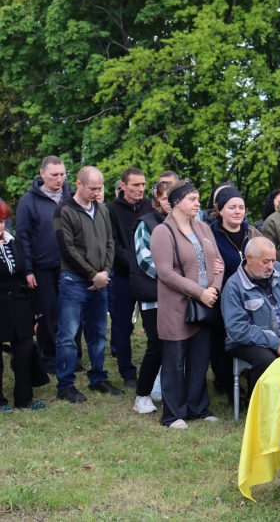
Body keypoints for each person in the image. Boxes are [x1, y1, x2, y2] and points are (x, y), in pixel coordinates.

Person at [150, 181, 223, 429]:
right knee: (174, 361)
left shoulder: (203, 227)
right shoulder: (163, 232)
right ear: (176, 202)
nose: (198, 203)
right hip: (176, 307)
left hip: (204, 305)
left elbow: (219, 263)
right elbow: (165, 273)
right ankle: (173, 414)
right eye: (192, 199)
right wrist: (200, 292)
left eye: (198, 198)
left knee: (199, 359)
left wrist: (214, 289)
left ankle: (198, 408)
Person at [53, 166, 120, 403]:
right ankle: (65, 385)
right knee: (68, 336)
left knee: (98, 333)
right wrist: (93, 275)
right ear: (79, 184)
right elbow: (67, 250)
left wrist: (105, 272)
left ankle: (98, 377)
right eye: (93, 188)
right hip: (74, 281)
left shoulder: (102, 209)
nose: (97, 192)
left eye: (100, 188)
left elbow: (110, 242)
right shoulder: (63, 211)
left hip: (100, 280)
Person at [221, 237, 280, 393]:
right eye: (265, 262)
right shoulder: (234, 286)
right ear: (250, 259)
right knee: (266, 360)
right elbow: (238, 329)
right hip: (246, 342)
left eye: (273, 260)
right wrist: (275, 343)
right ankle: (259, 402)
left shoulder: (278, 270)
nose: (271, 266)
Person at [14, 156, 72, 372]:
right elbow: (23, 238)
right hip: (42, 267)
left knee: (70, 312)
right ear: (42, 174)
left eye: (62, 174)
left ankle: (71, 356)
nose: (59, 179)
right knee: (47, 314)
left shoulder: (71, 196)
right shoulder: (28, 201)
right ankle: (48, 357)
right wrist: (28, 270)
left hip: (70, 265)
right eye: (54, 174)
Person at [210, 186, 262, 406]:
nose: (238, 211)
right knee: (221, 344)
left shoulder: (253, 233)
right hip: (222, 298)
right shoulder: (211, 235)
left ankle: (252, 388)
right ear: (220, 210)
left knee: (252, 341)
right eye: (232, 207)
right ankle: (228, 389)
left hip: (252, 298)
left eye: (241, 207)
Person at [0, 202, 47, 411]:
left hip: (19, 305)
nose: (0, 226)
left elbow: (22, 279)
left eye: (1, 221)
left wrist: (33, 313)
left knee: (24, 352)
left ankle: (24, 398)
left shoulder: (13, 242)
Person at [105, 167, 149, 388]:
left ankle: (155, 368)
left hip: (150, 276)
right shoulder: (110, 210)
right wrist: (137, 263)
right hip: (123, 276)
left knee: (154, 324)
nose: (140, 189)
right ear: (123, 186)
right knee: (122, 325)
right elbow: (112, 244)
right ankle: (127, 372)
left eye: (143, 184)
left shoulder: (150, 206)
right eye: (135, 185)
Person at [131, 181, 172, 414]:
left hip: (179, 296)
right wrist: (176, 278)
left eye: (173, 198)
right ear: (156, 199)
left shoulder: (184, 224)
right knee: (156, 345)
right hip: (153, 295)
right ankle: (142, 396)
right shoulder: (145, 224)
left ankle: (167, 391)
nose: (170, 203)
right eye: (165, 198)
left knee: (174, 347)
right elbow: (145, 260)